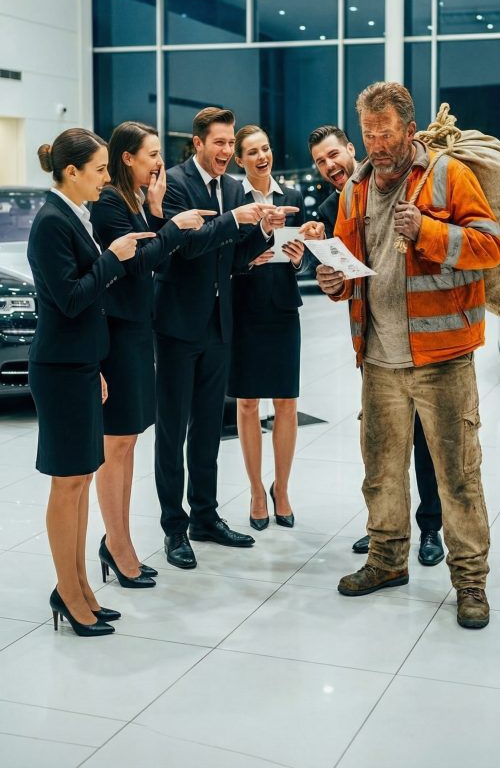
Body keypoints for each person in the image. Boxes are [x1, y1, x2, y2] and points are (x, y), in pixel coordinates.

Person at [316, 83, 500, 630]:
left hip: (443, 358)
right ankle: (386, 560)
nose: (376, 145)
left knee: (458, 477)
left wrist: (427, 230)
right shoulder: (355, 189)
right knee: (380, 472)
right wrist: (334, 282)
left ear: (409, 130)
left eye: (386, 134)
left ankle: (470, 581)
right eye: (368, 134)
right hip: (378, 359)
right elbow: (351, 267)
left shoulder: (448, 175)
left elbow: (490, 247)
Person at [154, 107, 299, 570]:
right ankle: (174, 527)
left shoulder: (233, 189)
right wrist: (237, 220)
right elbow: (186, 246)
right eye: (219, 142)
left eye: (229, 142)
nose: (225, 150)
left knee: (207, 429)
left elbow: (235, 257)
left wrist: (265, 233)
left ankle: (204, 516)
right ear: (198, 143)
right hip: (178, 325)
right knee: (173, 430)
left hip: (220, 324)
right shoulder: (176, 184)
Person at [27, 128, 154, 637]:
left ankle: (79, 586)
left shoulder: (72, 216)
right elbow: (72, 299)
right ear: (71, 171)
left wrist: (97, 364)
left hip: (79, 363)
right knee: (67, 483)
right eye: (100, 169)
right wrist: (112, 258)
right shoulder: (51, 222)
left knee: (80, 480)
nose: (106, 178)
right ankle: (68, 589)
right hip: (59, 369)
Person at [306, 125, 444, 566]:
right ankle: (386, 530)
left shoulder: (398, 183)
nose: (330, 166)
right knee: (383, 442)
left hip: (421, 335)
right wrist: (317, 251)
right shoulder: (333, 206)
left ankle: (430, 528)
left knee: (426, 438)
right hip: (375, 341)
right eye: (320, 162)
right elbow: (338, 279)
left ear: (352, 149)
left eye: (334, 155)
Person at [90, 121, 215, 589]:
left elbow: (157, 258)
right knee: (116, 445)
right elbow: (139, 262)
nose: (159, 162)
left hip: (138, 331)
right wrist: (173, 224)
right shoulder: (109, 204)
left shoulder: (135, 201)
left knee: (128, 442)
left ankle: (119, 541)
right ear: (128, 158)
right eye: (152, 154)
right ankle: (117, 543)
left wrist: (159, 212)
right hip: (117, 334)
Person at [229, 125, 305, 530]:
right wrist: (247, 259)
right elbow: (225, 255)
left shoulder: (291, 197)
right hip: (244, 310)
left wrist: (298, 258)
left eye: (266, 148)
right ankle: (257, 490)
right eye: (253, 152)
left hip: (282, 309)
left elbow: (304, 257)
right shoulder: (232, 198)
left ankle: (283, 489)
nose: (262, 157)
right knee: (247, 404)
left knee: (286, 403)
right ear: (240, 159)